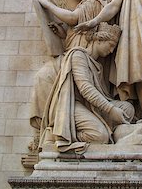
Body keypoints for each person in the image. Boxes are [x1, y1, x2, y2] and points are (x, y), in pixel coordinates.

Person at [30, 0, 108, 133]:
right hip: (75, 54)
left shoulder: (95, 1)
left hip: (80, 57)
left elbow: (73, 18)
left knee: (48, 78)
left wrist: (48, 5)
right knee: (45, 78)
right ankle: (54, 124)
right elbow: (78, 31)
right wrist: (64, 34)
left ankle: (56, 126)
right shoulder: (87, 3)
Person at [39, 23, 134, 152]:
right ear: (99, 40)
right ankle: (60, 135)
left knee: (127, 108)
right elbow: (86, 88)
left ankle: (110, 131)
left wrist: (113, 107)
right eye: (111, 45)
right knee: (100, 136)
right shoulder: (78, 55)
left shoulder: (97, 65)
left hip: (89, 106)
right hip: (71, 105)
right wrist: (111, 110)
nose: (111, 50)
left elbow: (101, 95)